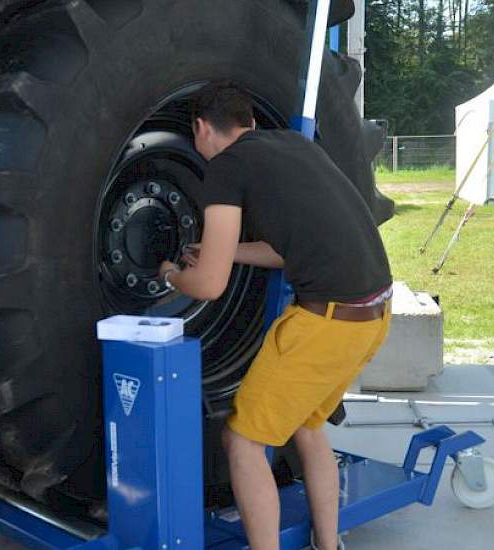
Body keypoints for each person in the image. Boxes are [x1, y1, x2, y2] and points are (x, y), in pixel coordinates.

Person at [158, 82, 393, 550]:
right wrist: (224, 253)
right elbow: (287, 249)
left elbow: (208, 285)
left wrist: (170, 274)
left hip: (324, 326)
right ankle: (328, 543)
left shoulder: (224, 167)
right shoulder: (293, 146)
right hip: (373, 316)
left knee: (243, 442)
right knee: (306, 427)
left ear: (202, 129)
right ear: (251, 122)